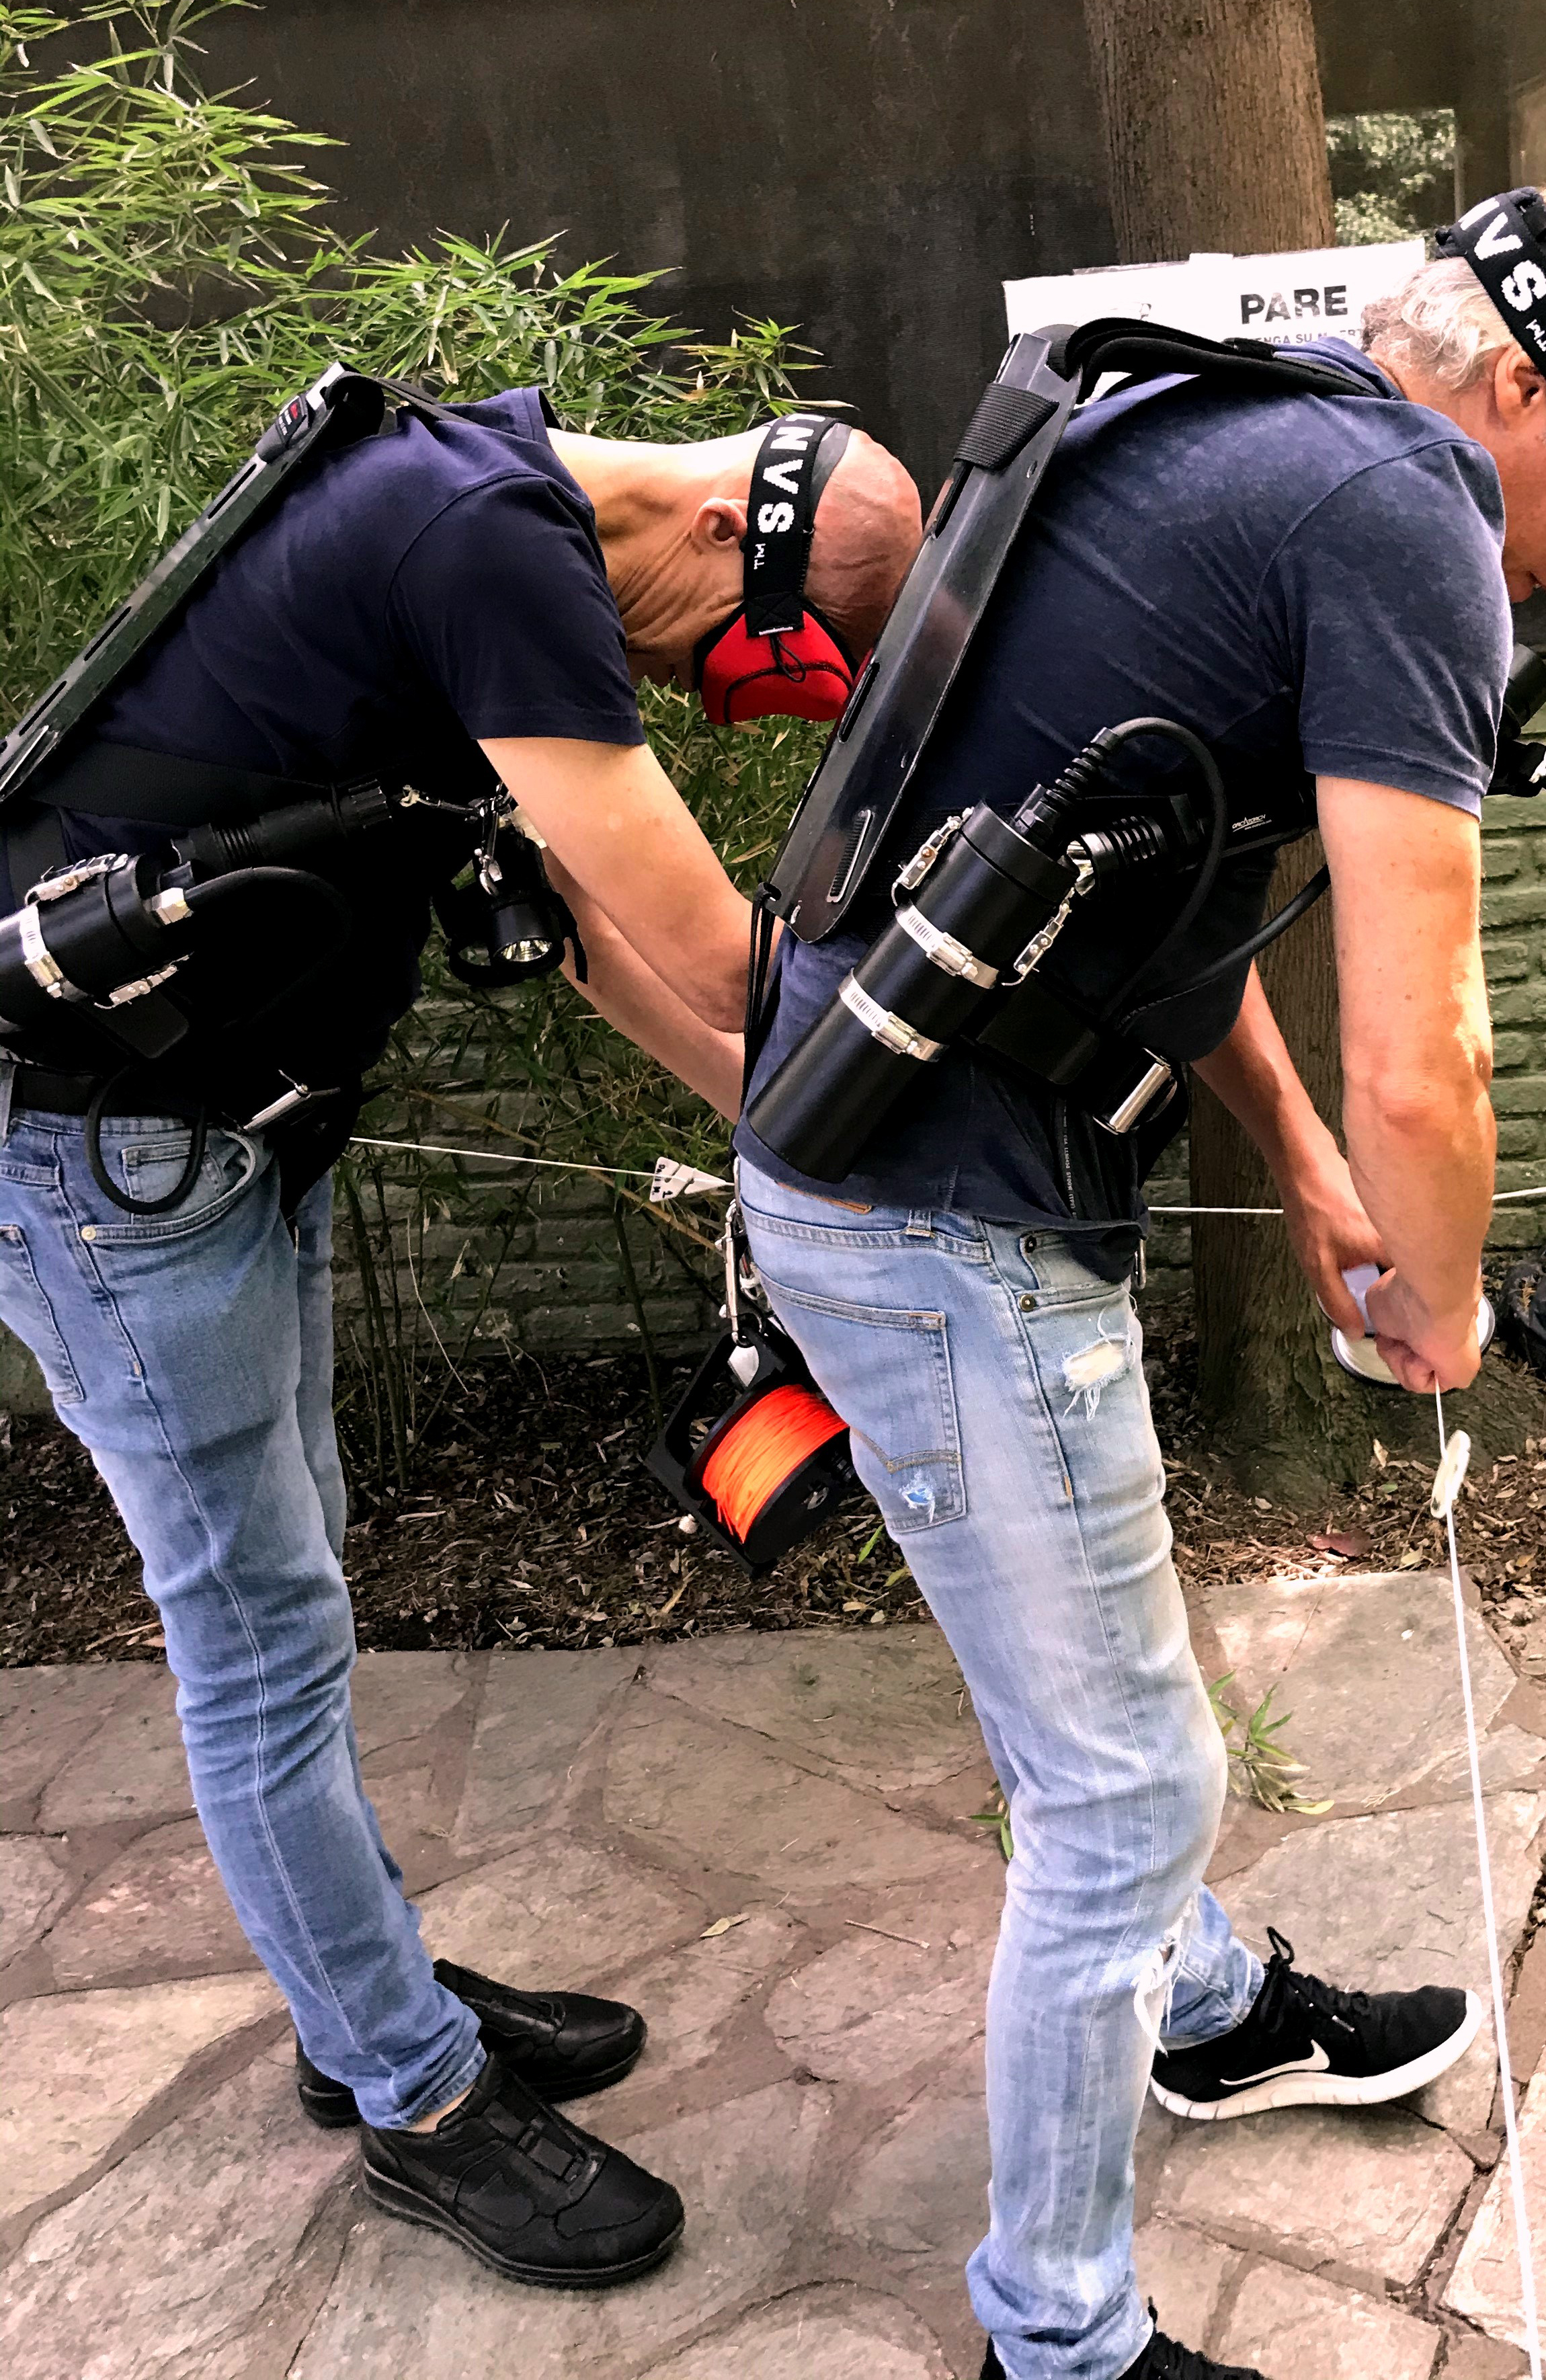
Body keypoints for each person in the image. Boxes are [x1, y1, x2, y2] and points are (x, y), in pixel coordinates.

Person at [734, 187, 1546, 2380]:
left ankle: (1203, 2022)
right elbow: (1442, 1043)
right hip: (937, 1209)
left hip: (912, 1156)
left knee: (1094, 1724)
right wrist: (1445, 1284)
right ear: (1528, 387)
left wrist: (1308, 1167)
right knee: (1120, 1784)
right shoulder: (1403, 511)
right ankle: (1063, 2331)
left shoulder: (1249, 431)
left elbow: (1138, 855)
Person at [0, 385, 921, 2286]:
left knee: (294, 1591)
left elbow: (584, 928)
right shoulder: (486, 535)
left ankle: (372, 1984)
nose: (695, 690)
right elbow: (689, 914)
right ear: (716, 538)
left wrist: (789, 1138)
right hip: (103, 1151)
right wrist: (901, 1095)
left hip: (216, 1139)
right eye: (740, 661)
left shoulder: (477, 524)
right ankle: (408, 2095)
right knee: (254, 1638)